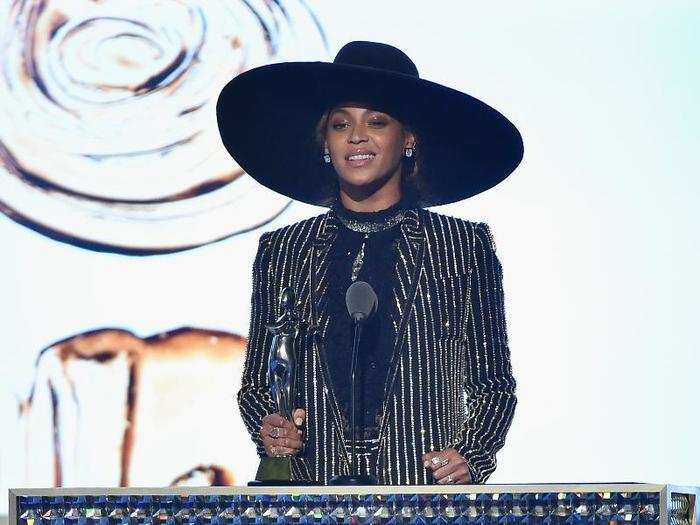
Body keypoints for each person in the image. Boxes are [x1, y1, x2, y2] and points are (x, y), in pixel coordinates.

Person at [216, 41, 523, 485]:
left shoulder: (460, 245)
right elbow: (260, 382)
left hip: (421, 498)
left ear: (409, 138)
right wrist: (270, 428)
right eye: (341, 124)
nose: (356, 136)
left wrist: (471, 455)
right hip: (309, 496)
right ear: (326, 142)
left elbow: (493, 382)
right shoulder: (284, 250)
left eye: (376, 121)